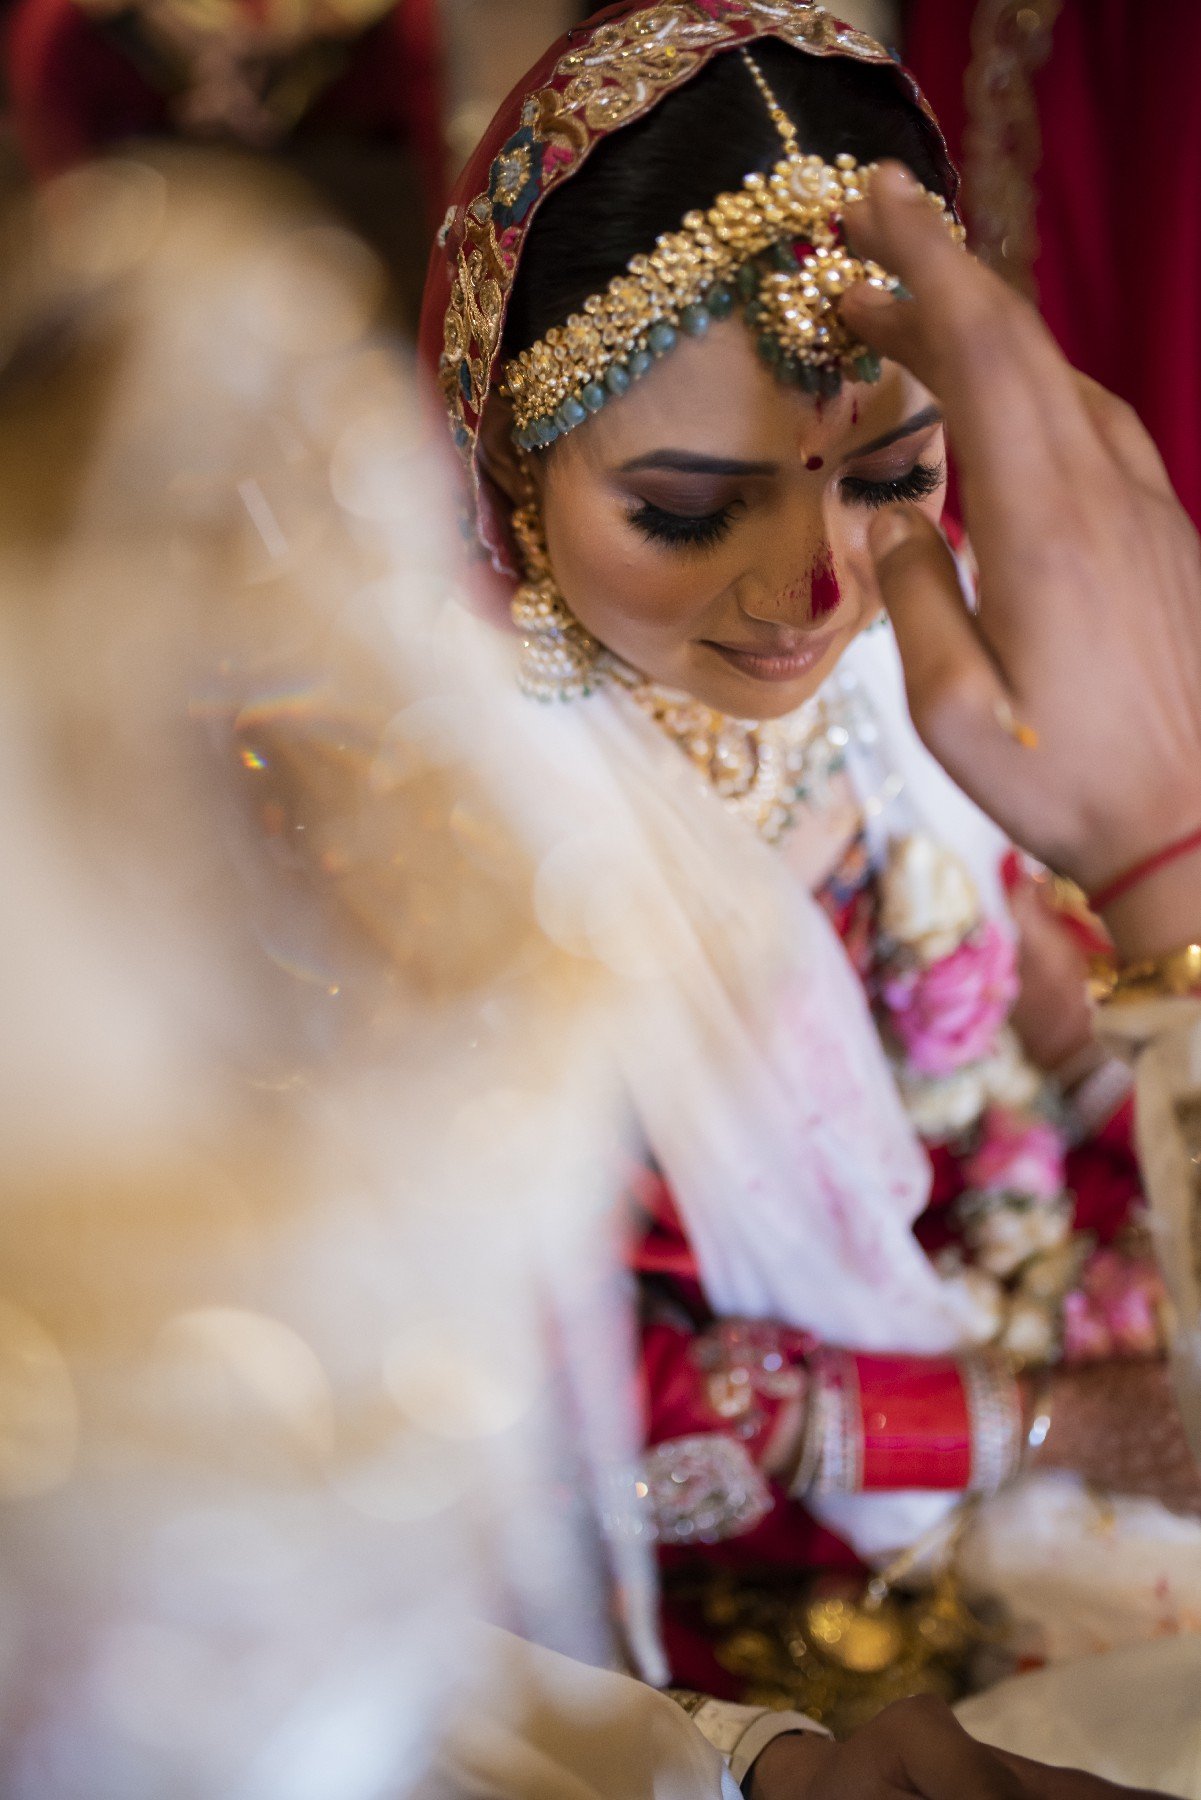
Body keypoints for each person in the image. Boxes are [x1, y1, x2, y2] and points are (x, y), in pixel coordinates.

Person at [418, 0, 1201, 1719]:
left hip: (987, 1383)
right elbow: (547, 1408)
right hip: (715, 1629)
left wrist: (1120, 1126)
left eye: (894, 475)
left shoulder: (920, 670)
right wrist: (1044, 1422)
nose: (820, 594)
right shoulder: (448, 845)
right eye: (688, 512)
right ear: (506, 466)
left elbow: (1025, 1003)